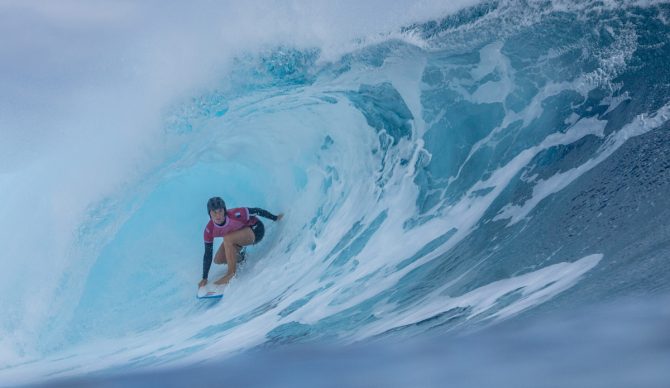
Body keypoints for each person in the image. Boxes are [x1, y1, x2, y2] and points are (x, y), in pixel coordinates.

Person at [198, 197, 283, 288]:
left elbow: (257, 211)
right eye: (214, 212)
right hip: (237, 239)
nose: (218, 215)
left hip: (255, 230)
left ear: (225, 211)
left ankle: (231, 274)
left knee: (227, 238)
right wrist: (204, 278)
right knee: (219, 259)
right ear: (209, 214)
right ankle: (242, 258)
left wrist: (275, 218)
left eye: (220, 211)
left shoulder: (236, 214)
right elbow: (208, 253)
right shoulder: (209, 230)